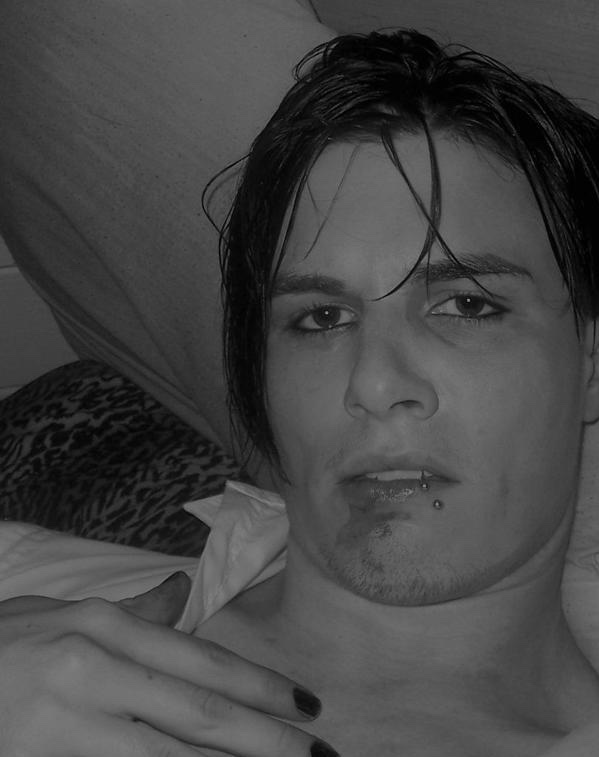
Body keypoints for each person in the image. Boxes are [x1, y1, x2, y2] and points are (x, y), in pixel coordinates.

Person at [2, 26, 599, 757]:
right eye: (321, 318)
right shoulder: (23, 600)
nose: (372, 384)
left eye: (466, 304)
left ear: (590, 358)